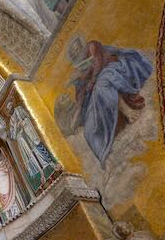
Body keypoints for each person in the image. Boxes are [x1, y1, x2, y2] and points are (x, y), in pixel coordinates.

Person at [60, 37, 153, 166]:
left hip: (114, 67)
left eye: (77, 49)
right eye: (74, 53)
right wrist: (78, 110)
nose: (77, 53)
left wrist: (91, 81)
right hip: (96, 89)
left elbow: (98, 63)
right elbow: (81, 93)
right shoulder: (80, 69)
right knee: (89, 129)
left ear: (81, 45)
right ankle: (104, 154)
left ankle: (127, 111)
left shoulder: (91, 46)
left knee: (104, 82)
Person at [0, 138, 25, 220]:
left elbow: (7, 160)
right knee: (4, 193)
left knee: (12, 190)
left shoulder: (1, 150)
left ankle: (18, 208)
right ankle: (11, 213)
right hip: (0, 178)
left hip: (7, 174)